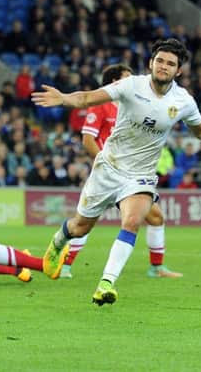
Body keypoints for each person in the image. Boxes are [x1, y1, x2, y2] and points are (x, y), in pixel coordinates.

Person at [32, 38, 201, 305]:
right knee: (80, 227)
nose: (164, 66)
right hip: (108, 167)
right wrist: (63, 99)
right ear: (151, 63)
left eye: (171, 63)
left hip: (140, 176)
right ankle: (60, 239)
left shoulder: (183, 100)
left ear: (178, 71)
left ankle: (106, 283)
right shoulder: (131, 85)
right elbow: (87, 98)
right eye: (160, 61)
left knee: (132, 221)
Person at [60, 63, 182, 279]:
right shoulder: (100, 106)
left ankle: (156, 268)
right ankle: (65, 265)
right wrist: (104, 165)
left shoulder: (134, 105)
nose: (133, 81)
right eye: (126, 78)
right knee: (86, 222)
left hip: (132, 177)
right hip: (108, 172)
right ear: (115, 82)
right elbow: (88, 139)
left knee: (156, 218)